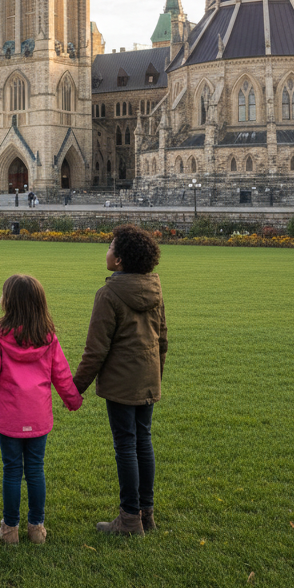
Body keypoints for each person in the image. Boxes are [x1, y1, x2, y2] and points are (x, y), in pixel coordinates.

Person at [0, 274, 81, 545]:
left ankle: (9, 530)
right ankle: (36, 529)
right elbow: (62, 375)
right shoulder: (48, 336)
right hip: (38, 416)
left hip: (10, 417)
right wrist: (73, 400)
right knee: (35, 470)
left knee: (11, 471)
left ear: (9, 302)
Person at [73, 225, 168, 538]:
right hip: (148, 376)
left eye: (111, 247)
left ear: (120, 260)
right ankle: (146, 512)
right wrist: (156, 373)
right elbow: (162, 339)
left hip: (121, 382)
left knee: (126, 446)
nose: (107, 252)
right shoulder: (155, 289)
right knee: (144, 441)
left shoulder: (109, 294)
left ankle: (129, 519)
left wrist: (75, 388)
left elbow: (95, 350)